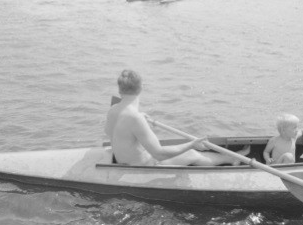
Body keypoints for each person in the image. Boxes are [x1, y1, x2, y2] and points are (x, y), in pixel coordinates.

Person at [105, 70, 250, 166]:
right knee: (192, 153)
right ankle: (232, 159)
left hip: (123, 160)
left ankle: (231, 158)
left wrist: (139, 120)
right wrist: (191, 144)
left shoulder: (113, 110)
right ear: (142, 88)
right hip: (144, 166)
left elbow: (111, 132)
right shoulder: (136, 118)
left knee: (176, 149)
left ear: (119, 89)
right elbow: (160, 155)